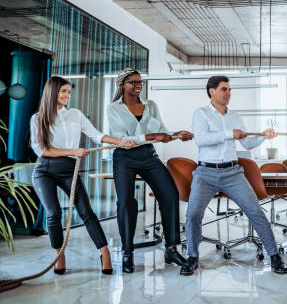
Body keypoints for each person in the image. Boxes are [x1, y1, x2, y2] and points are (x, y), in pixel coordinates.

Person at [180, 75, 287, 275]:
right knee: (193, 214)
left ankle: (274, 256)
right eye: (224, 89)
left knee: (255, 212)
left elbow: (247, 143)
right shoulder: (201, 113)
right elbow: (202, 140)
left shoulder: (235, 117)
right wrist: (230, 134)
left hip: (232, 173)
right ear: (212, 91)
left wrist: (263, 136)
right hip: (205, 173)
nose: (228, 93)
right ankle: (192, 257)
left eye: (229, 90)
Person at [30, 75, 135, 275]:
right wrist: (73, 151)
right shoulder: (37, 118)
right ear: (52, 92)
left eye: (69, 92)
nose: (67, 95)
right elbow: (42, 150)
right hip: (44, 170)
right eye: (63, 91)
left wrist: (120, 141)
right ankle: (59, 255)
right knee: (53, 214)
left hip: (69, 169)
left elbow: (97, 135)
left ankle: (105, 253)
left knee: (86, 211)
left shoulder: (75, 115)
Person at [106, 68, 193, 273]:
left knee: (170, 194)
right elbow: (121, 136)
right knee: (126, 202)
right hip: (124, 157)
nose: (138, 85)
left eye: (140, 82)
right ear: (122, 85)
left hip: (148, 156)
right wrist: (151, 136)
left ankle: (171, 248)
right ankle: (127, 252)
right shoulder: (113, 108)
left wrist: (176, 133)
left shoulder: (150, 105)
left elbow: (162, 130)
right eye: (133, 82)